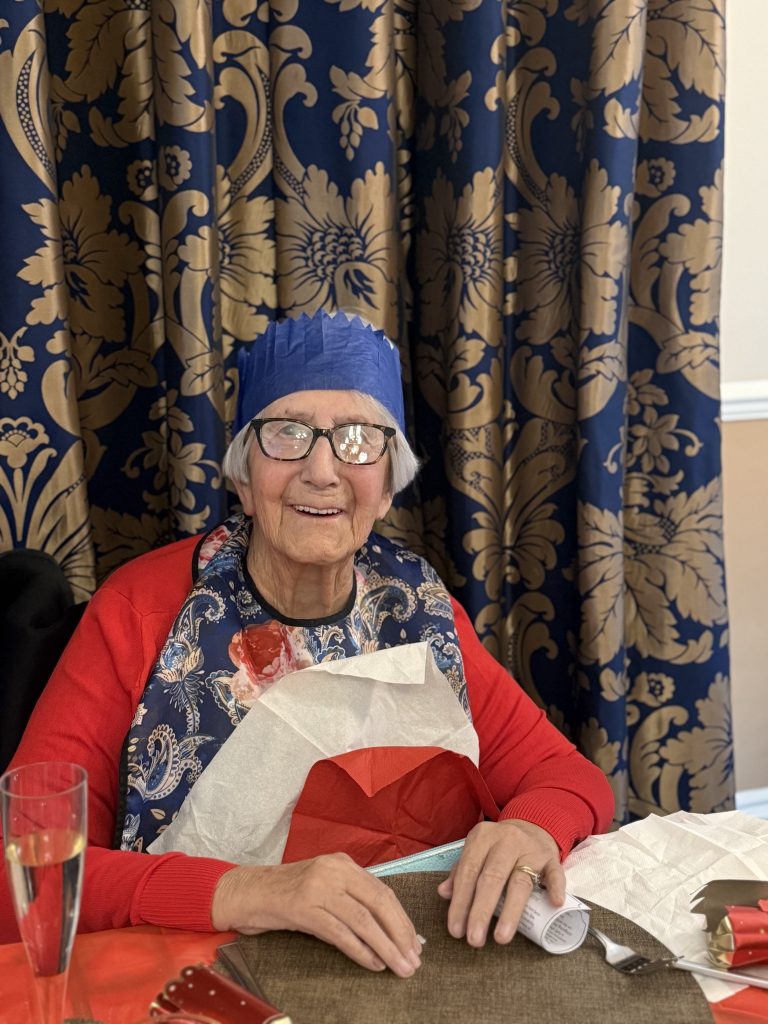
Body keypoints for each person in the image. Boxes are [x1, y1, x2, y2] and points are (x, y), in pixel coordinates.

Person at [0, 311, 613, 978]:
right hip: (196, 983)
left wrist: (527, 830)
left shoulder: (419, 608)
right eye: (286, 434)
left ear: (385, 487)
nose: (322, 470)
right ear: (241, 477)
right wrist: (248, 889)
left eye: (358, 440)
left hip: (407, 973)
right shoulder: (139, 612)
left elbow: (570, 779)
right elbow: (23, 877)